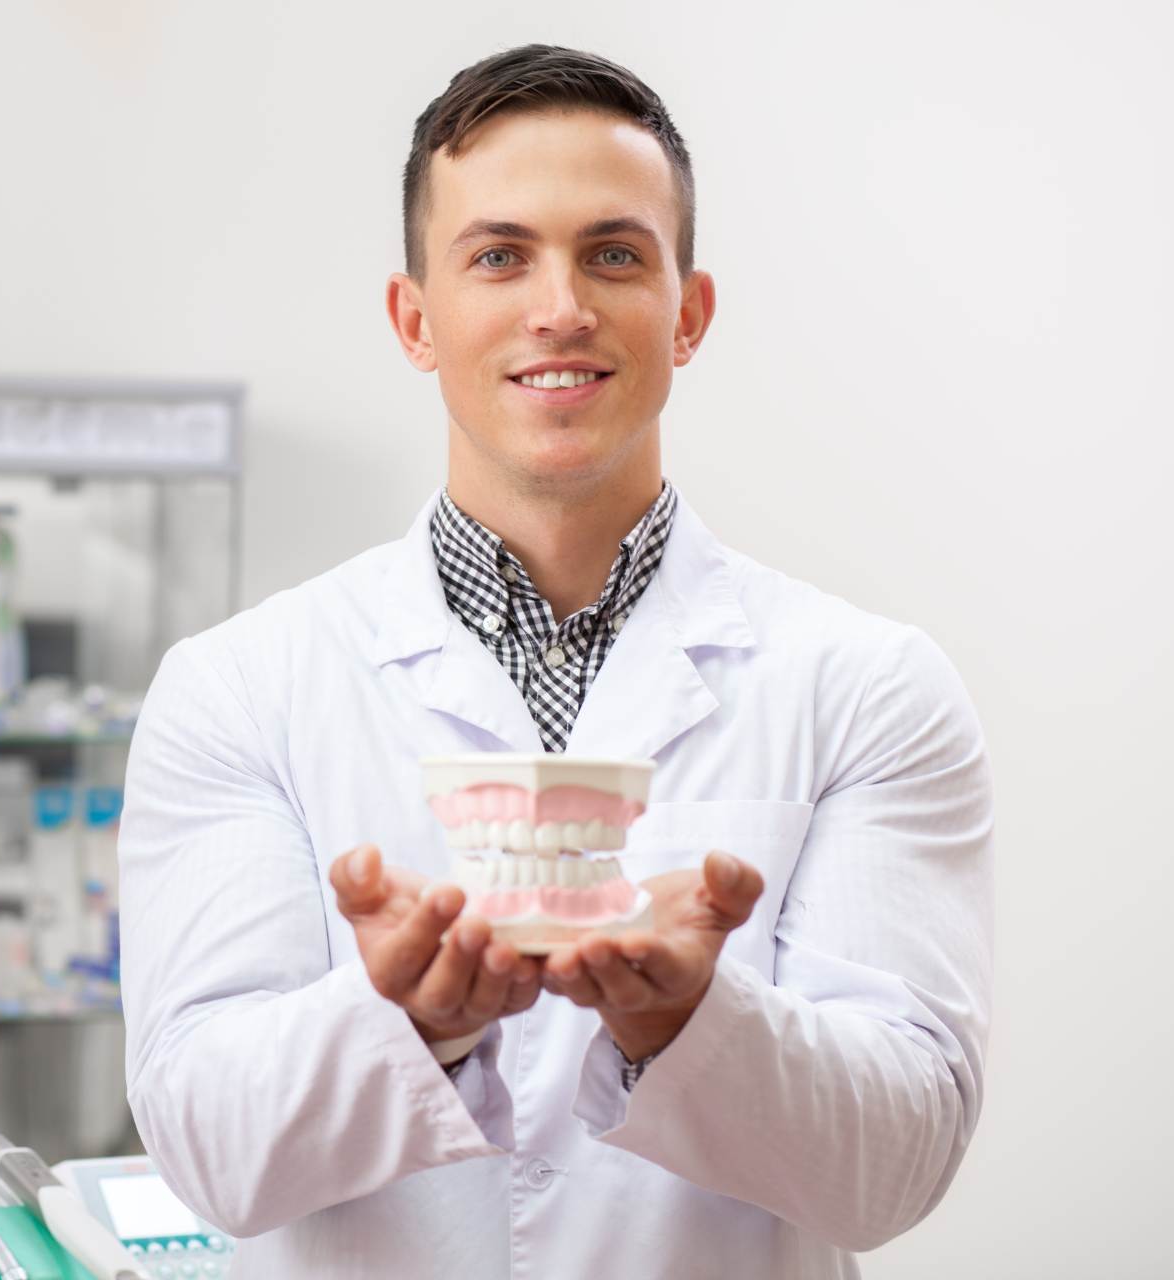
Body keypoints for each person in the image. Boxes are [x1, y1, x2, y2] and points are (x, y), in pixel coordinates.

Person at [118, 44, 993, 1280]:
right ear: (415, 320)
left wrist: (690, 1021)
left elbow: (896, 1163)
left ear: (688, 314)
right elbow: (208, 1150)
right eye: (498, 254)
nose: (560, 307)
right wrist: (406, 1019)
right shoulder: (241, 689)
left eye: (615, 253)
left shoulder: (868, 688)